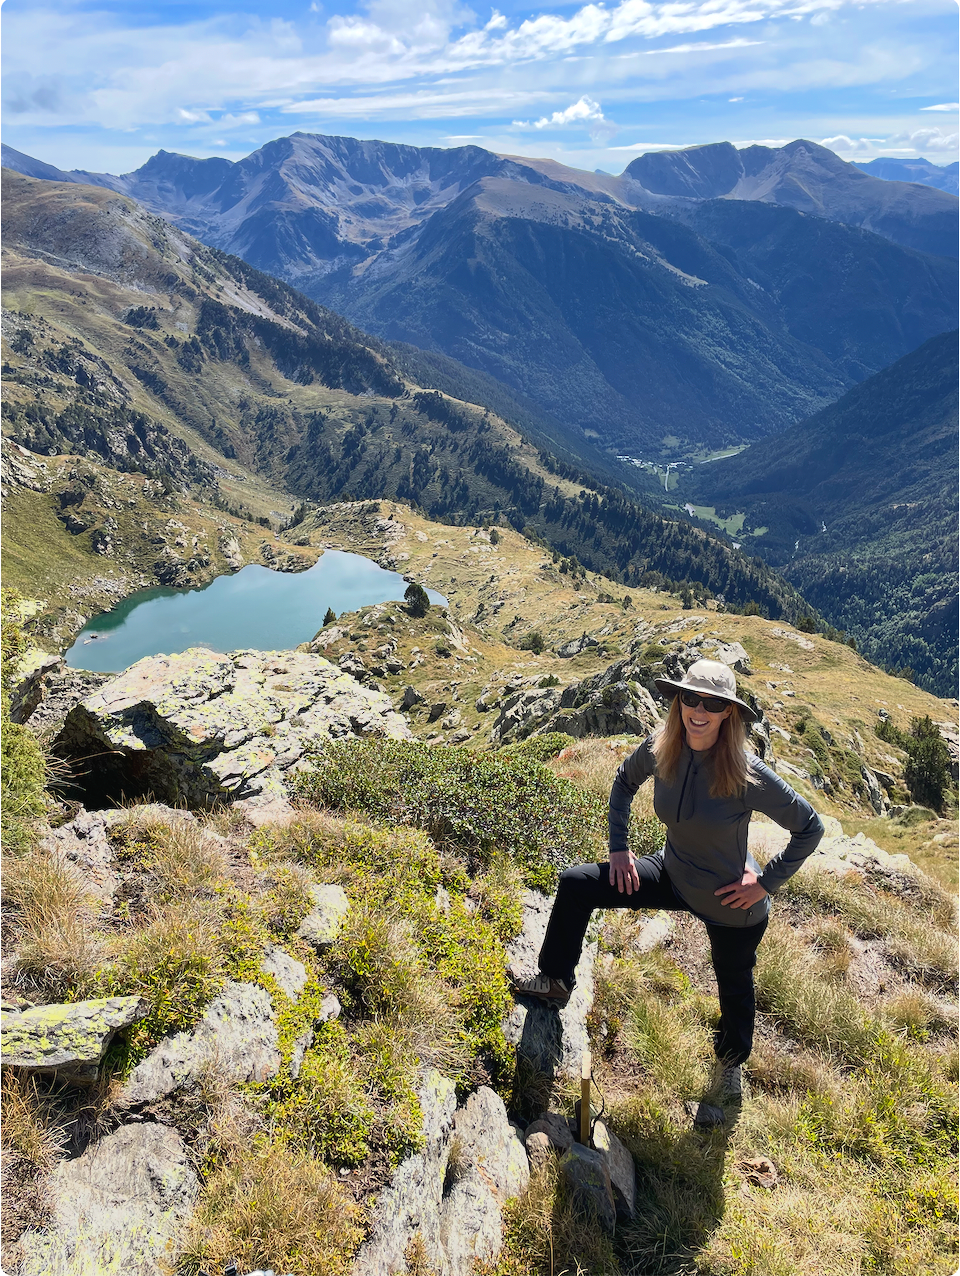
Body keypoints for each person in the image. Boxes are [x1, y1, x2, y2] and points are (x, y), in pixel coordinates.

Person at [510, 659, 824, 1099]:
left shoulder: (747, 772)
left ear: (727, 713)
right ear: (678, 701)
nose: (698, 710)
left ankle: (731, 1063)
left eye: (712, 703)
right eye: (689, 697)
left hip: (729, 901)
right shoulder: (661, 748)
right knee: (577, 883)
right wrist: (618, 848)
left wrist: (765, 883)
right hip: (671, 873)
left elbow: (810, 826)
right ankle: (556, 981)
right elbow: (622, 783)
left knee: (734, 985)